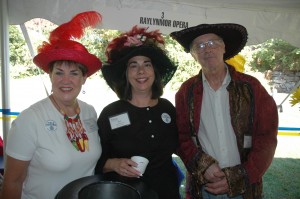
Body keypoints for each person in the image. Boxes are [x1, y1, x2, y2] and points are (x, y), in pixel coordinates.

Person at [1, 11, 103, 199]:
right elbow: (12, 181)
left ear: (84, 78)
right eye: (59, 72)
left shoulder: (89, 112)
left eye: (73, 73)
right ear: (50, 75)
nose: (66, 80)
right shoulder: (30, 119)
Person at [170, 23, 278, 199]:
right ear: (193, 54)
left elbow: (266, 137)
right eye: (200, 46)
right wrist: (203, 165)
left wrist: (240, 176)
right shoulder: (186, 91)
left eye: (213, 43)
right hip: (204, 185)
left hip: (244, 187)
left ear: (224, 47)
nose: (207, 49)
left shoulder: (251, 87)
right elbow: (182, 137)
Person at [95, 25, 181, 199]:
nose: (141, 71)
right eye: (133, 66)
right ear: (125, 74)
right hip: (126, 193)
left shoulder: (167, 108)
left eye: (146, 64)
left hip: (166, 192)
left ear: (154, 72)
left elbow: (182, 145)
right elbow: (95, 160)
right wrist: (113, 163)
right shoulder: (110, 113)